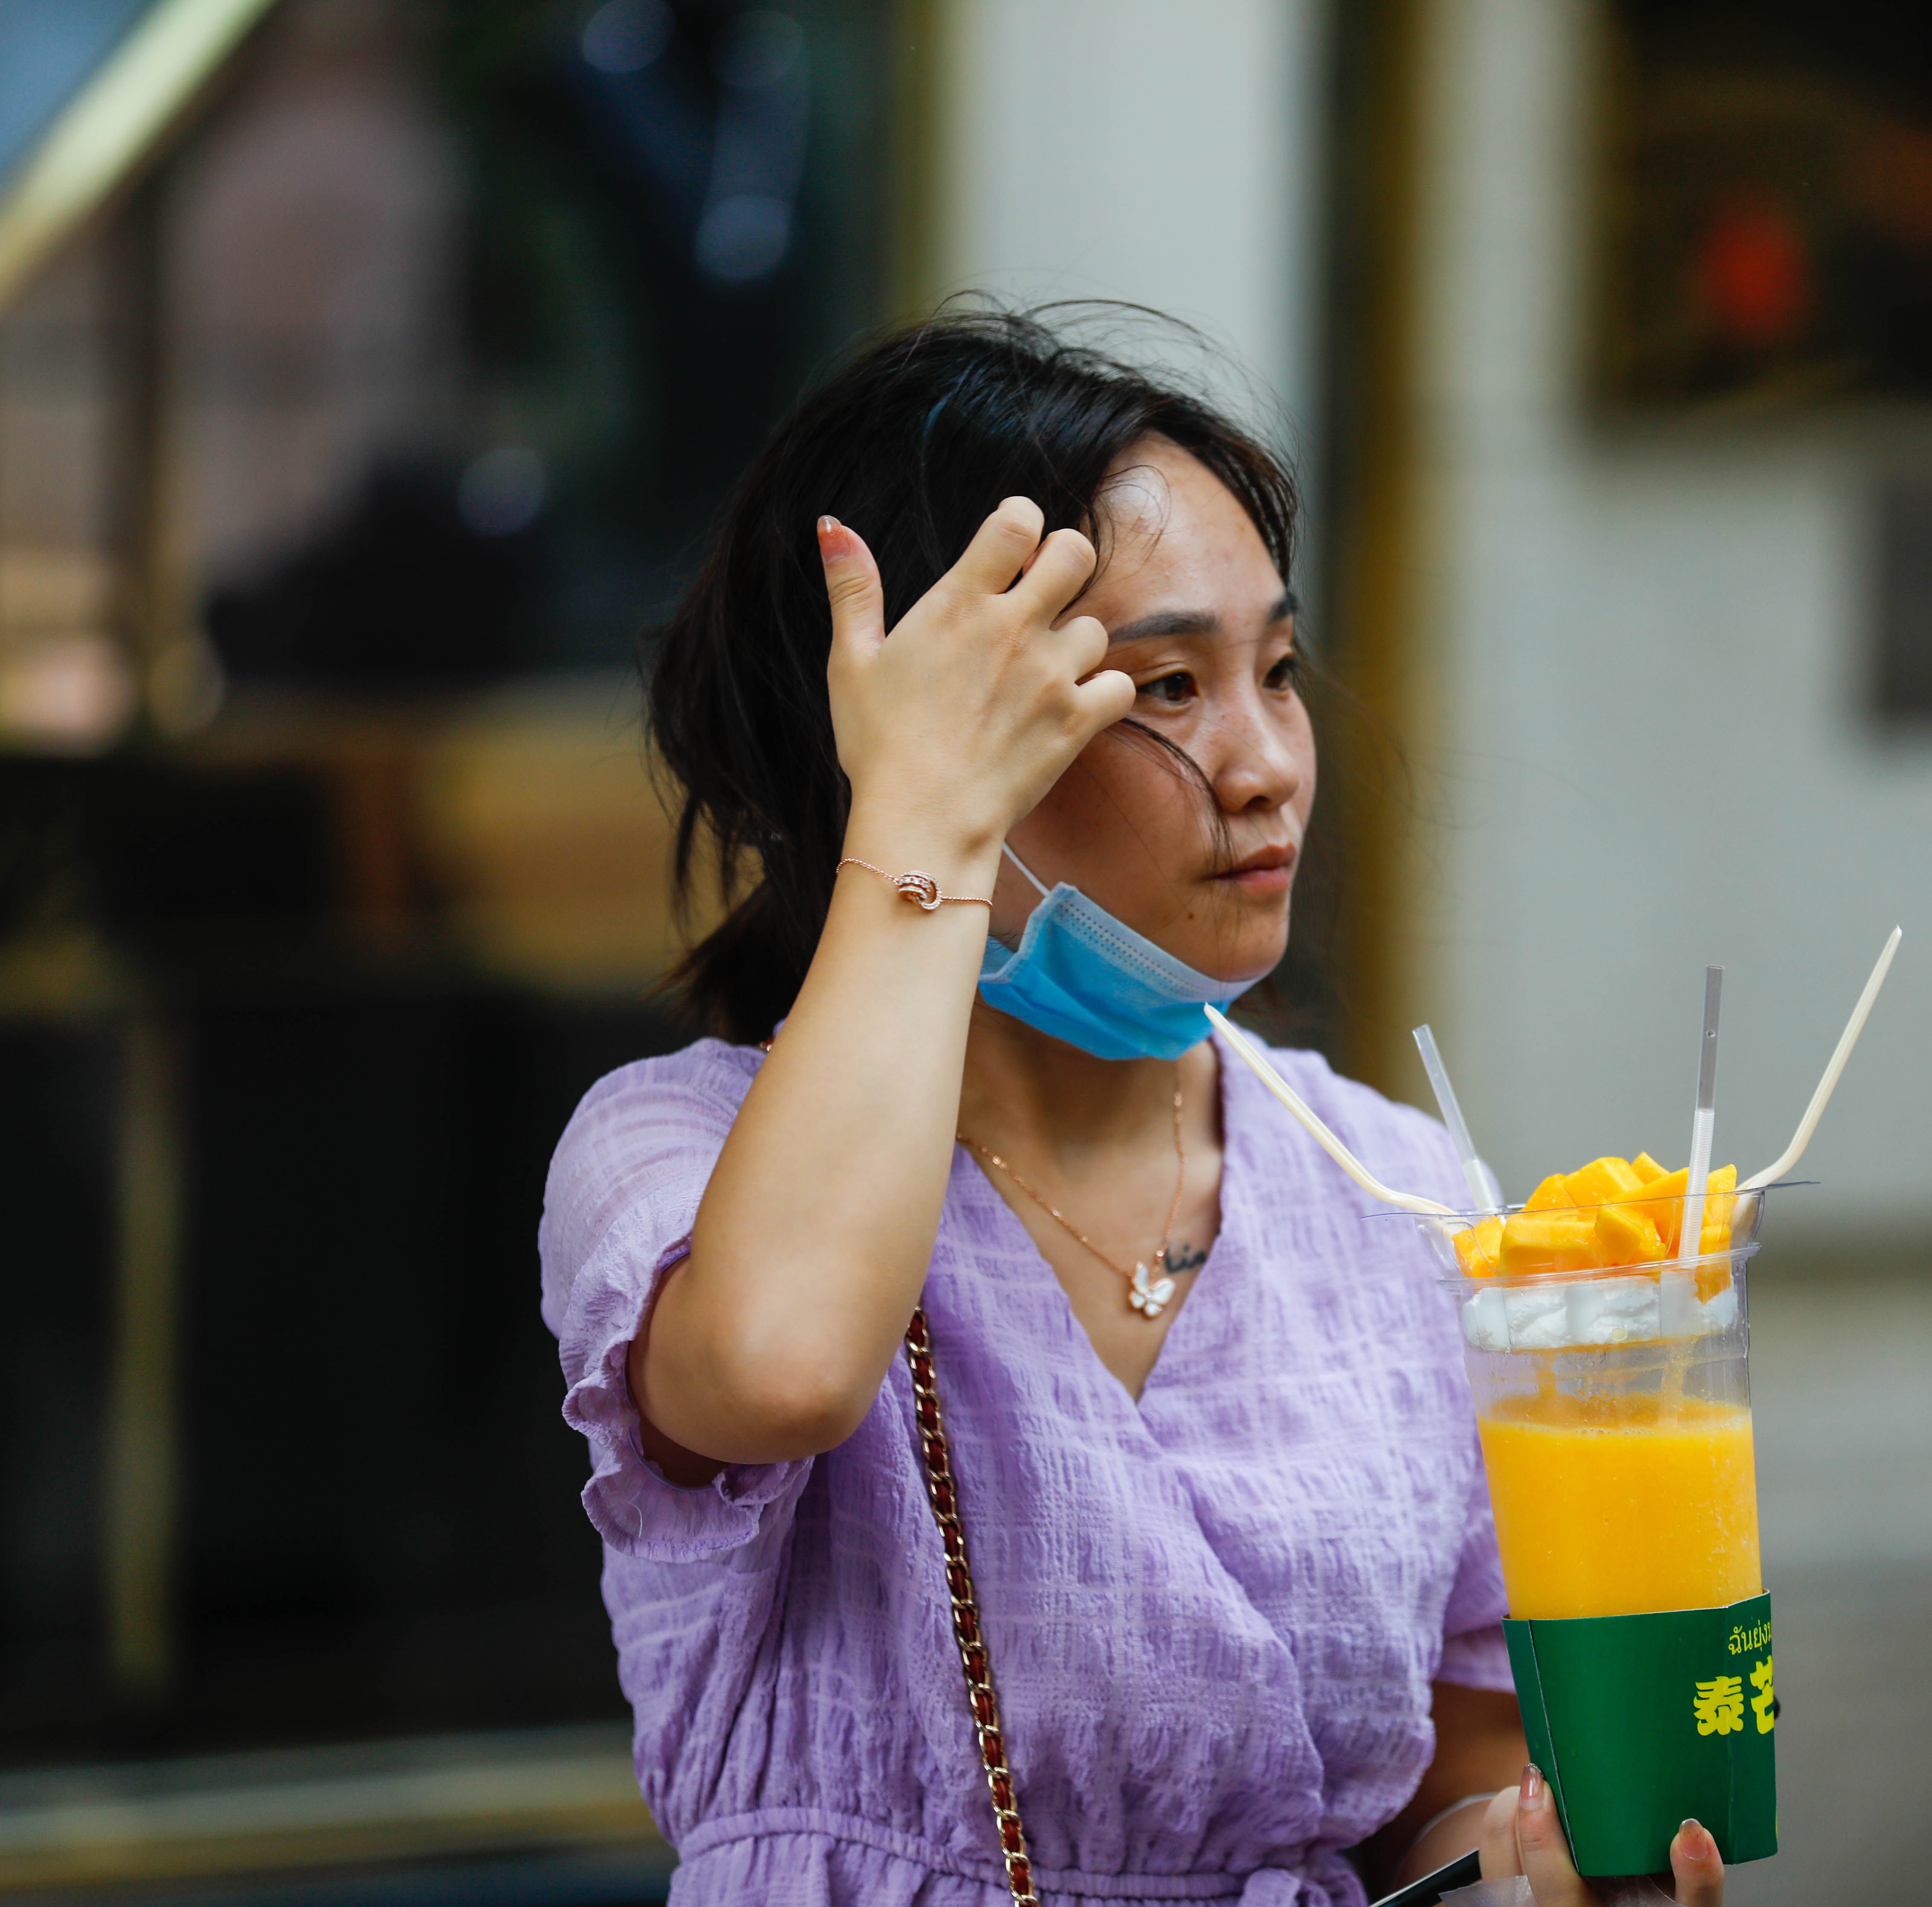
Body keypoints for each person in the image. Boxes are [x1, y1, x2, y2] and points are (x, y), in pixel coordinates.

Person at [539, 307, 1726, 1906]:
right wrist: (924, 827)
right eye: (1166, 686)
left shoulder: (1399, 1191)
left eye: (1281, 672)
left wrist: (1549, 1877)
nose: (1267, 767)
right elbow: (787, 1366)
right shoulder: (673, 1151)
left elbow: (1439, 1791)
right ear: (925, 740)